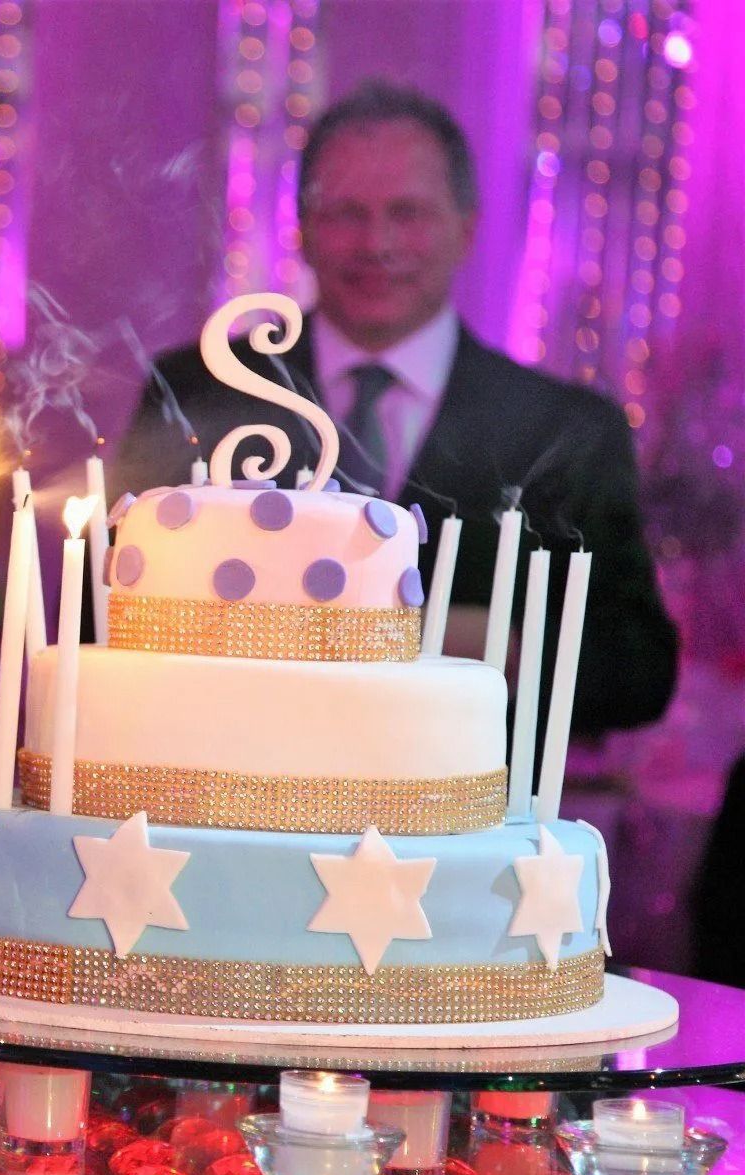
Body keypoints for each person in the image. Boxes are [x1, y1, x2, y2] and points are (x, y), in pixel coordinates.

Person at [112, 80, 677, 737]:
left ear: (465, 229)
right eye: (345, 213)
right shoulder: (199, 389)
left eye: (408, 212)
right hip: (223, 784)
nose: (376, 243)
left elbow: (641, 668)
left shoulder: (569, 430)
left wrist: (489, 642)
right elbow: (107, 605)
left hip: (464, 815)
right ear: (303, 228)